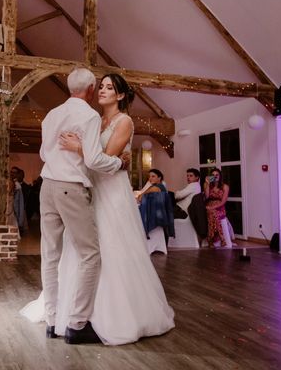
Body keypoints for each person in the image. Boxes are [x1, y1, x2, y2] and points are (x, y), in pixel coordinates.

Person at [22, 70, 174, 346]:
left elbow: (102, 157)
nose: (103, 90)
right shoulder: (95, 118)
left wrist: (80, 148)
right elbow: (93, 158)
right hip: (85, 189)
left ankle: (106, 314)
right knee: (80, 250)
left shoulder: (124, 120)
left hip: (110, 192)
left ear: (121, 95)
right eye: (101, 86)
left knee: (106, 249)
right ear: (92, 89)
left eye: (109, 87)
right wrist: (83, 151)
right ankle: (68, 313)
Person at [204, 168, 234, 248]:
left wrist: (213, 207)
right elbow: (206, 197)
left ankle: (212, 239)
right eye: (213, 175)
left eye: (217, 175)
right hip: (209, 205)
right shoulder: (208, 185)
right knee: (211, 213)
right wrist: (207, 183)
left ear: (220, 176)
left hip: (220, 207)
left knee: (214, 213)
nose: (215, 176)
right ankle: (218, 239)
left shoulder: (225, 186)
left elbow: (223, 201)